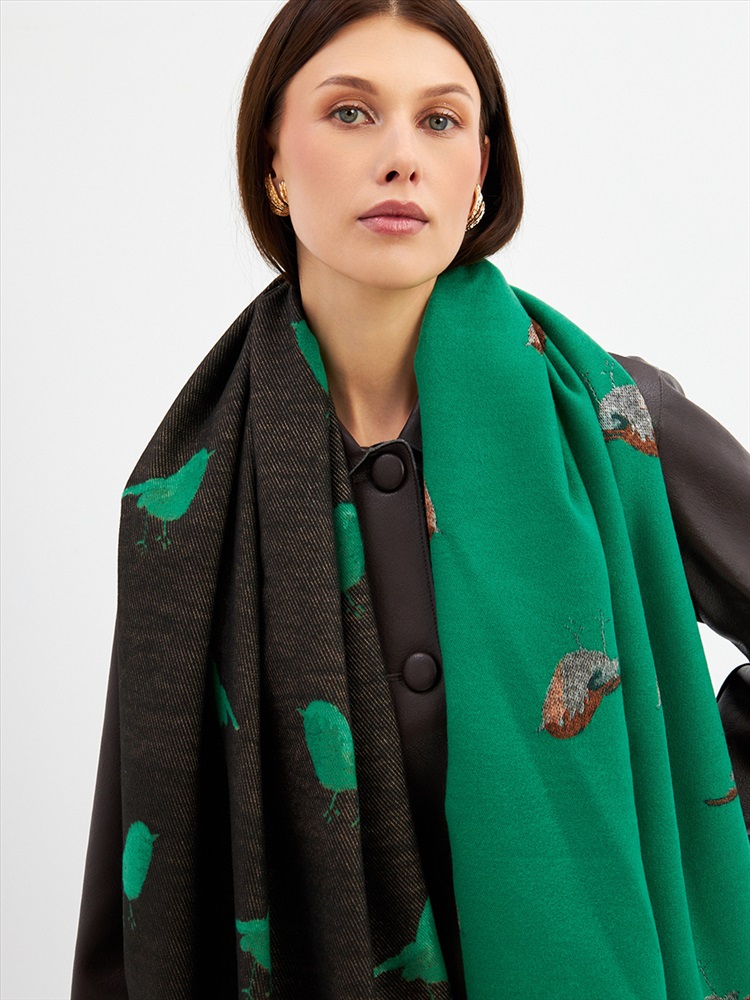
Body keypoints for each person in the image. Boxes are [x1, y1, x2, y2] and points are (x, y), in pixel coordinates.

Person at [71, 1, 750, 998]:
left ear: (481, 171)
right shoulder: (190, 498)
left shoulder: (617, 422)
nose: (400, 158)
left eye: (439, 120)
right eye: (350, 113)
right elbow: (139, 855)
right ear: (272, 161)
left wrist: (703, 801)